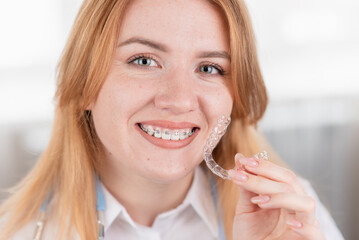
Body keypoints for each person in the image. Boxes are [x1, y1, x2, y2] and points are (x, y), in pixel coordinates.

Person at [0, 0, 344, 239]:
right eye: (144, 61)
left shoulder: (293, 217)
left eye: (209, 68)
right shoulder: (18, 232)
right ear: (85, 83)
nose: (179, 100)